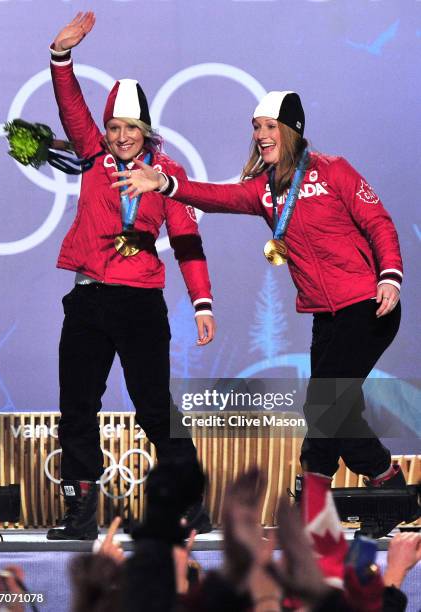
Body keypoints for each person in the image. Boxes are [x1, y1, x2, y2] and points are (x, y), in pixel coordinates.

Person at [118, 90, 413, 537]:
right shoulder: (265, 189)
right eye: (256, 127)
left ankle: (334, 502)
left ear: (291, 130)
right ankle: (381, 492)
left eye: (270, 127)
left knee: (325, 404)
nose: (260, 135)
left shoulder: (334, 170)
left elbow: (379, 223)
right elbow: (217, 196)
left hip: (368, 305)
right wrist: (166, 185)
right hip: (325, 314)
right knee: (333, 407)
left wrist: (389, 276)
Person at [46, 12, 215, 540]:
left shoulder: (165, 177)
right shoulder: (92, 154)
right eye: (114, 128)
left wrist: (203, 304)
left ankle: (191, 506)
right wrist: (61, 57)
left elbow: (187, 241)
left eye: (130, 129)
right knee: (76, 405)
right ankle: (81, 512)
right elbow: (70, 104)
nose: (120, 137)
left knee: (152, 406)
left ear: (146, 132)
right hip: (89, 300)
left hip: (141, 302)